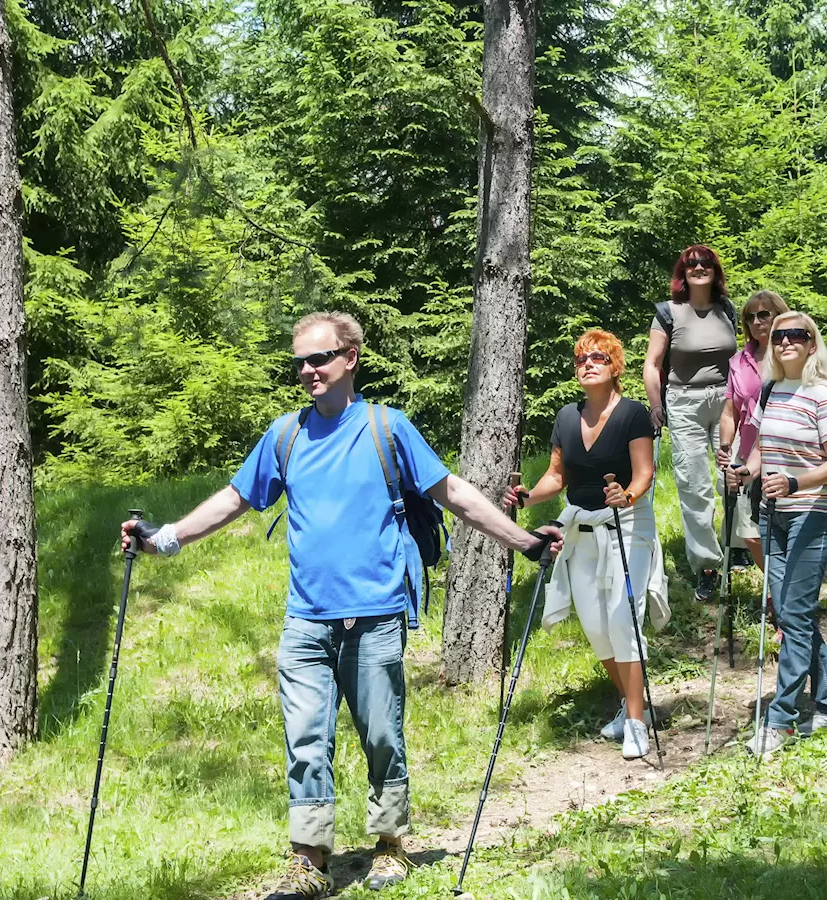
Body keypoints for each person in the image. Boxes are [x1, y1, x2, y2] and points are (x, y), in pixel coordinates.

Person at [120, 312, 563, 899]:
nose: (308, 370)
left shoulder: (388, 429)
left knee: (382, 734)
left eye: (319, 358)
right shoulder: (285, 437)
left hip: (375, 614)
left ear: (350, 358)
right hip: (305, 619)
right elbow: (233, 499)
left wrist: (525, 541)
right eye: (300, 361)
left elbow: (452, 492)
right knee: (305, 739)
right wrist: (166, 538)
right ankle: (309, 860)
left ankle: (390, 846)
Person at [503, 330, 669, 760]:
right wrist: (527, 497)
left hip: (627, 525)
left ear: (615, 367)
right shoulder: (565, 417)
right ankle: (635, 705)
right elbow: (558, 477)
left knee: (623, 622)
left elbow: (644, 473)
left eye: (598, 357)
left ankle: (635, 723)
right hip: (582, 531)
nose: (587, 364)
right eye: (580, 359)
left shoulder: (632, 414)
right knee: (597, 630)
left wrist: (626, 495)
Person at [728, 311, 827, 757]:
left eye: (796, 335)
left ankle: (781, 720)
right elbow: (764, 449)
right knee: (790, 615)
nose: (786, 342)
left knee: (795, 617)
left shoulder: (823, 395)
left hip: (811, 515)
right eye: (780, 335)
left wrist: (795, 482)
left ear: (811, 344)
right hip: (774, 515)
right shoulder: (771, 390)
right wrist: (744, 472)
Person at [643, 244, 738, 601]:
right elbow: (652, 364)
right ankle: (707, 565)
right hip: (684, 402)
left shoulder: (726, 309)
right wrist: (656, 405)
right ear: (683, 272)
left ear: (715, 270)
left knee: (733, 475)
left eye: (705, 263)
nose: (699, 268)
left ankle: (737, 543)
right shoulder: (668, 313)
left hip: (728, 400)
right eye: (691, 264)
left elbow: (742, 358)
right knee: (694, 485)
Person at [717, 289, 790, 573]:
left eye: (764, 314)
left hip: (787, 451)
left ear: (778, 316)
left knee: (783, 526)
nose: (757, 321)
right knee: (750, 532)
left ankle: (791, 592)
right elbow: (729, 411)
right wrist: (725, 448)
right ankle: (775, 589)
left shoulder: (790, 353)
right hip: (748, 453)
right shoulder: (737, 361)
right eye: (750, 317)